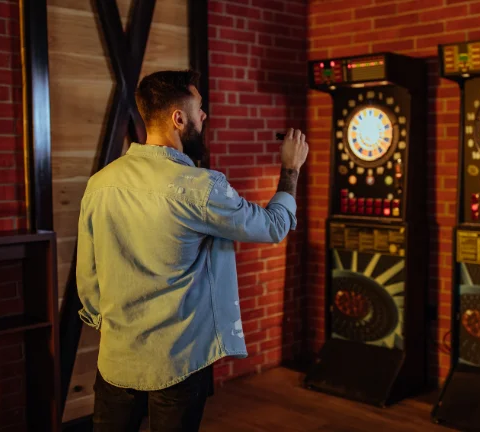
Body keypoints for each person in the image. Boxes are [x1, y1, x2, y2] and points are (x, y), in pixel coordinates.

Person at [75, 69, 309, 432]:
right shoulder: (200, 188)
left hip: (117, 358)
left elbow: (88, 275)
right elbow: (274, 226)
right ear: (178, 118)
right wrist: (290, 169)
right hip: (178, 361)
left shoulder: (100, 183)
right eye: (199, 108)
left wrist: (107, 325)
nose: (204, 116)